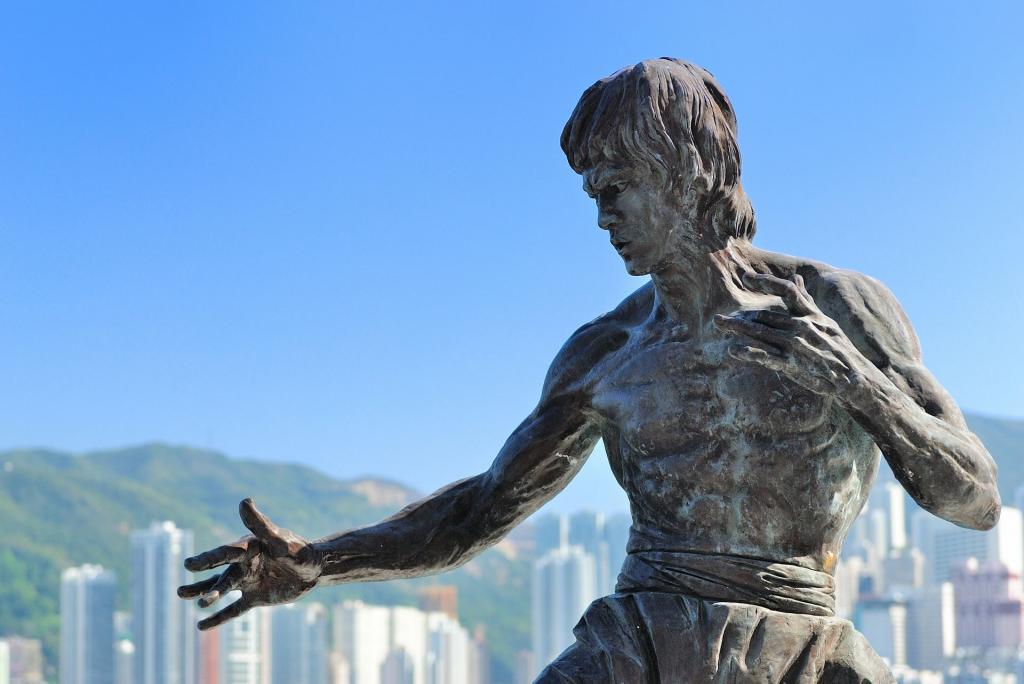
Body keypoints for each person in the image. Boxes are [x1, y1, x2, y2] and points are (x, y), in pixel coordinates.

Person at [179, 58, 999, 682]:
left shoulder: (841, 308)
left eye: (619, 186)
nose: (602, 215)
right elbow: (482, 508)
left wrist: (859, 385)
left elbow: (975, 498)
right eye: (593, 192)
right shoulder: (605, 353)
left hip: (802, 644)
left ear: (685, 170)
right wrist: (320, 561)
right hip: (635, 644)